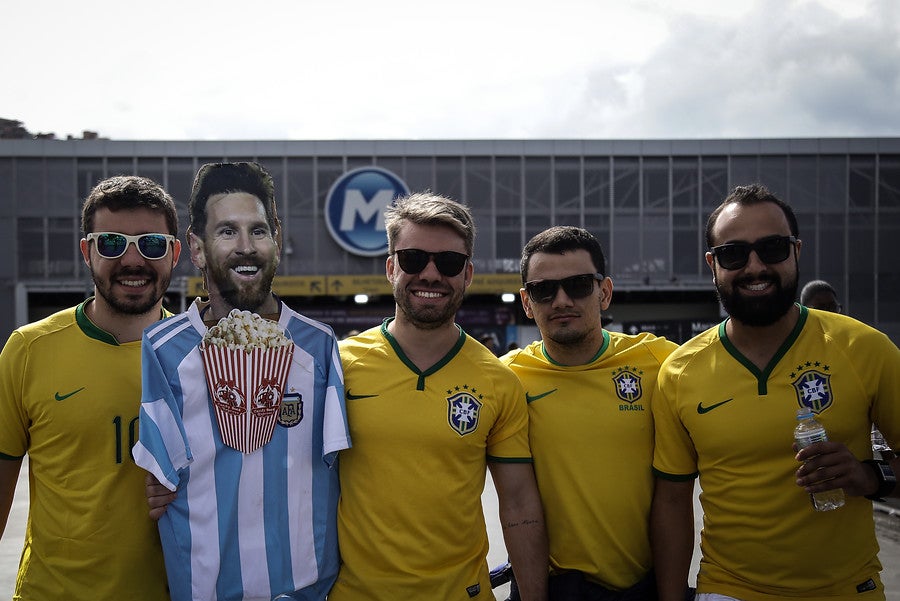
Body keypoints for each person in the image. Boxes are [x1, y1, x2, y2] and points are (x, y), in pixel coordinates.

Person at [651, 184, 900, 601]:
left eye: (772, 248)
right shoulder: (679, 371)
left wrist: (870, 476)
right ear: (713, 264)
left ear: (796, 251)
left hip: (848, 589)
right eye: (734, 254)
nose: (755, 267)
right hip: (729, 588)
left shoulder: (864, 348)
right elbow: (673, 502)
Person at [133, 162, 350, 601]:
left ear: (277, 240)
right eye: (228, 231)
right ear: (197, 247)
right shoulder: (163, 349)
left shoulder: (319, 347)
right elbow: (159, 478)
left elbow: (346, 475)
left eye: (259, 230)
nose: (246, 247)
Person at [330, 192, 548, 600]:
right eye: (413, 259)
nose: (430, 275)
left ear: (468, 274)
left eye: (448, 262)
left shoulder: (498, 381)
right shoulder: (338, 367)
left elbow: (519, 504)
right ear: (391, 267)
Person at [0, 175, 181, 599]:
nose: (133, 260)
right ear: (87, 251)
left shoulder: (204, 358)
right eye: (112, 244)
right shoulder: (28, 350)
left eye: (152, 244)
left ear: (175, 253)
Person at [501, 226, 678, 600]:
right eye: (544, 290)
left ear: (605, 292)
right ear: (527, 302)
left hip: (644, 587)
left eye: (579, 285)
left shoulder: (662, 362)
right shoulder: (505, 379)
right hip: (550, 588)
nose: (561, 300)